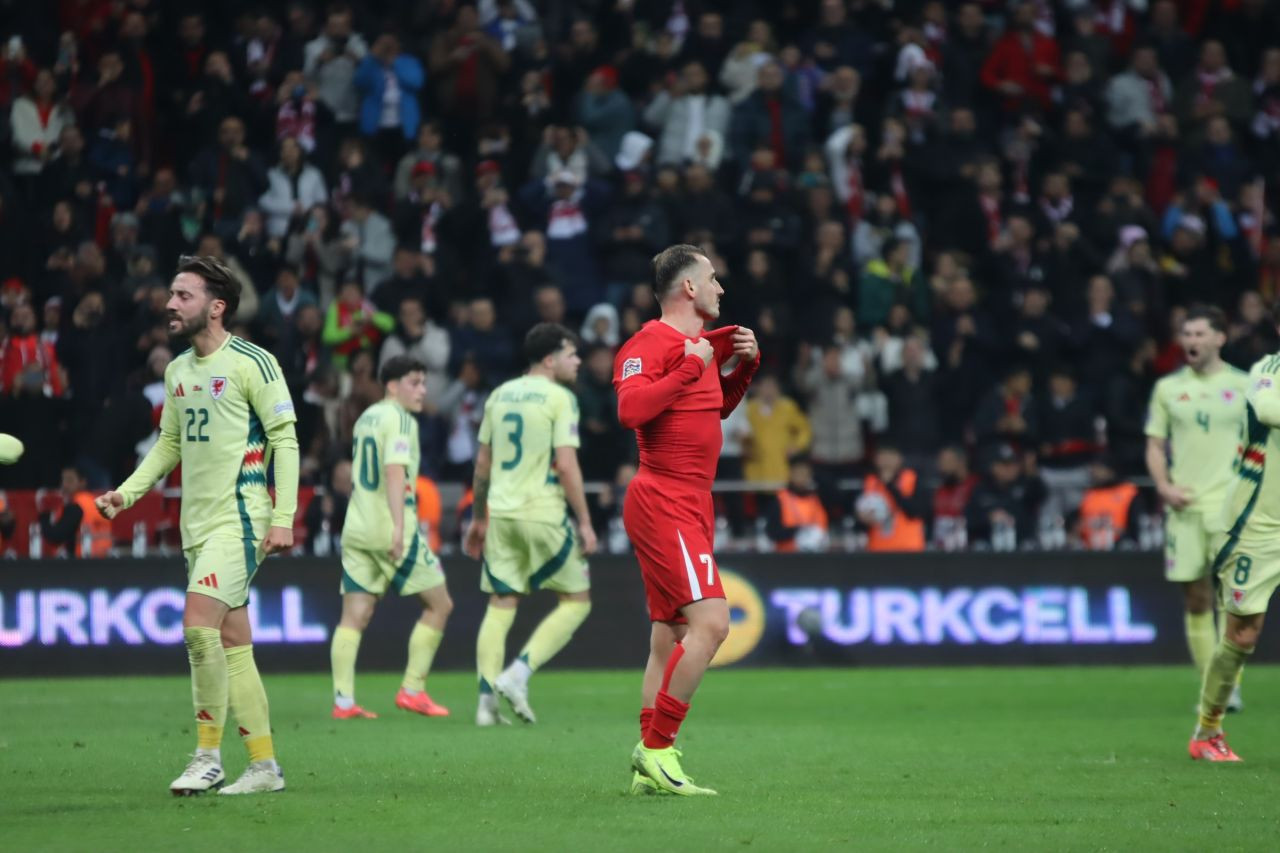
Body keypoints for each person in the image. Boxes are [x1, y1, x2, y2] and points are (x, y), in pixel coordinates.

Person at [95, 255, 298, 796]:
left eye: (182, 295)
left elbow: (286, 439)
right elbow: (170, 444)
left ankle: (207, 757)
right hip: (197, 525)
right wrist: (127, 493)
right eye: (171, 294)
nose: (169, 304)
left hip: (242, 517)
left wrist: (283, 517)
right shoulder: (178, 371)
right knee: (233, 643)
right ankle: (264, 767)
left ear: (216, 306)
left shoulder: (254, 361)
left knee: (197, 626)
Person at [612, 244, 759, 796]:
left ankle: (645, 770)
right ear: (689, 288)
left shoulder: (693, 348)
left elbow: (710, 406)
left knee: (668, 635)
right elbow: (631, 410)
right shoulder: (648, 344)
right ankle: (657, 749)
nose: (721, 288)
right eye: (713, 278)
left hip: (692, 501)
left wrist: (742, 366)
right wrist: (691, 368)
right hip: (664, 497)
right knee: (714, 625)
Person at [463, 323, 597, 727]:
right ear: (549, 358)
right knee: (577, 600)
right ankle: (518, 674)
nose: (578, 361)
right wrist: (586, 521)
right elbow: (568, 464)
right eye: (572, 354)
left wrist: (478, 517)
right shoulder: (560, 398)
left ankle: (486, 704)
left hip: (501, 514)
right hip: (542, 511)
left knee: (501, 603)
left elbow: (482, 464)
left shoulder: (499, 395)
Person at [331, 355, 453, 720]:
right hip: (389, 526)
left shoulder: (367, 416)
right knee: (440, 605)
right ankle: (413, 689)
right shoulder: (399, 419)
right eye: (414, 382)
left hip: (357, 526)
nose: (422, 390)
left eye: (423, 382)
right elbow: (394, 471)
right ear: (392, 385)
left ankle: (343, 702)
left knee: (354, 615)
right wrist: (400, 528)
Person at [1187, 304, 1280, 761]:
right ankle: (1207, 731)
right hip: (1259, 524)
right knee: (1243, 636)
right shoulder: (1267, 370)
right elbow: (1267, 409)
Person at [1146, 306, 1248, 711]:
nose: (1191, 340)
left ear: (1219, 338)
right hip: (1185, 506)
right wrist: (1163, 486)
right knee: (1196, 598)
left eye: (1199, 333)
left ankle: (1228, 687)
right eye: (1186, 333)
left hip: (1230, 505)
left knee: (1234, 599)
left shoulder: (1246, 386)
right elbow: (1154, 445)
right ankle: (1211, 683)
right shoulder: (1168, 389)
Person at [39, 465, 111, 557]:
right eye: (63, 480)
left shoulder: (76, 507)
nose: (64, 485)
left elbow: (56, 536)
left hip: (82, 563)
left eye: (69, 480)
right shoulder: (95, 503)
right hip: (104, 560)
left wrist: (44, 517)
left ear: (82, 482)